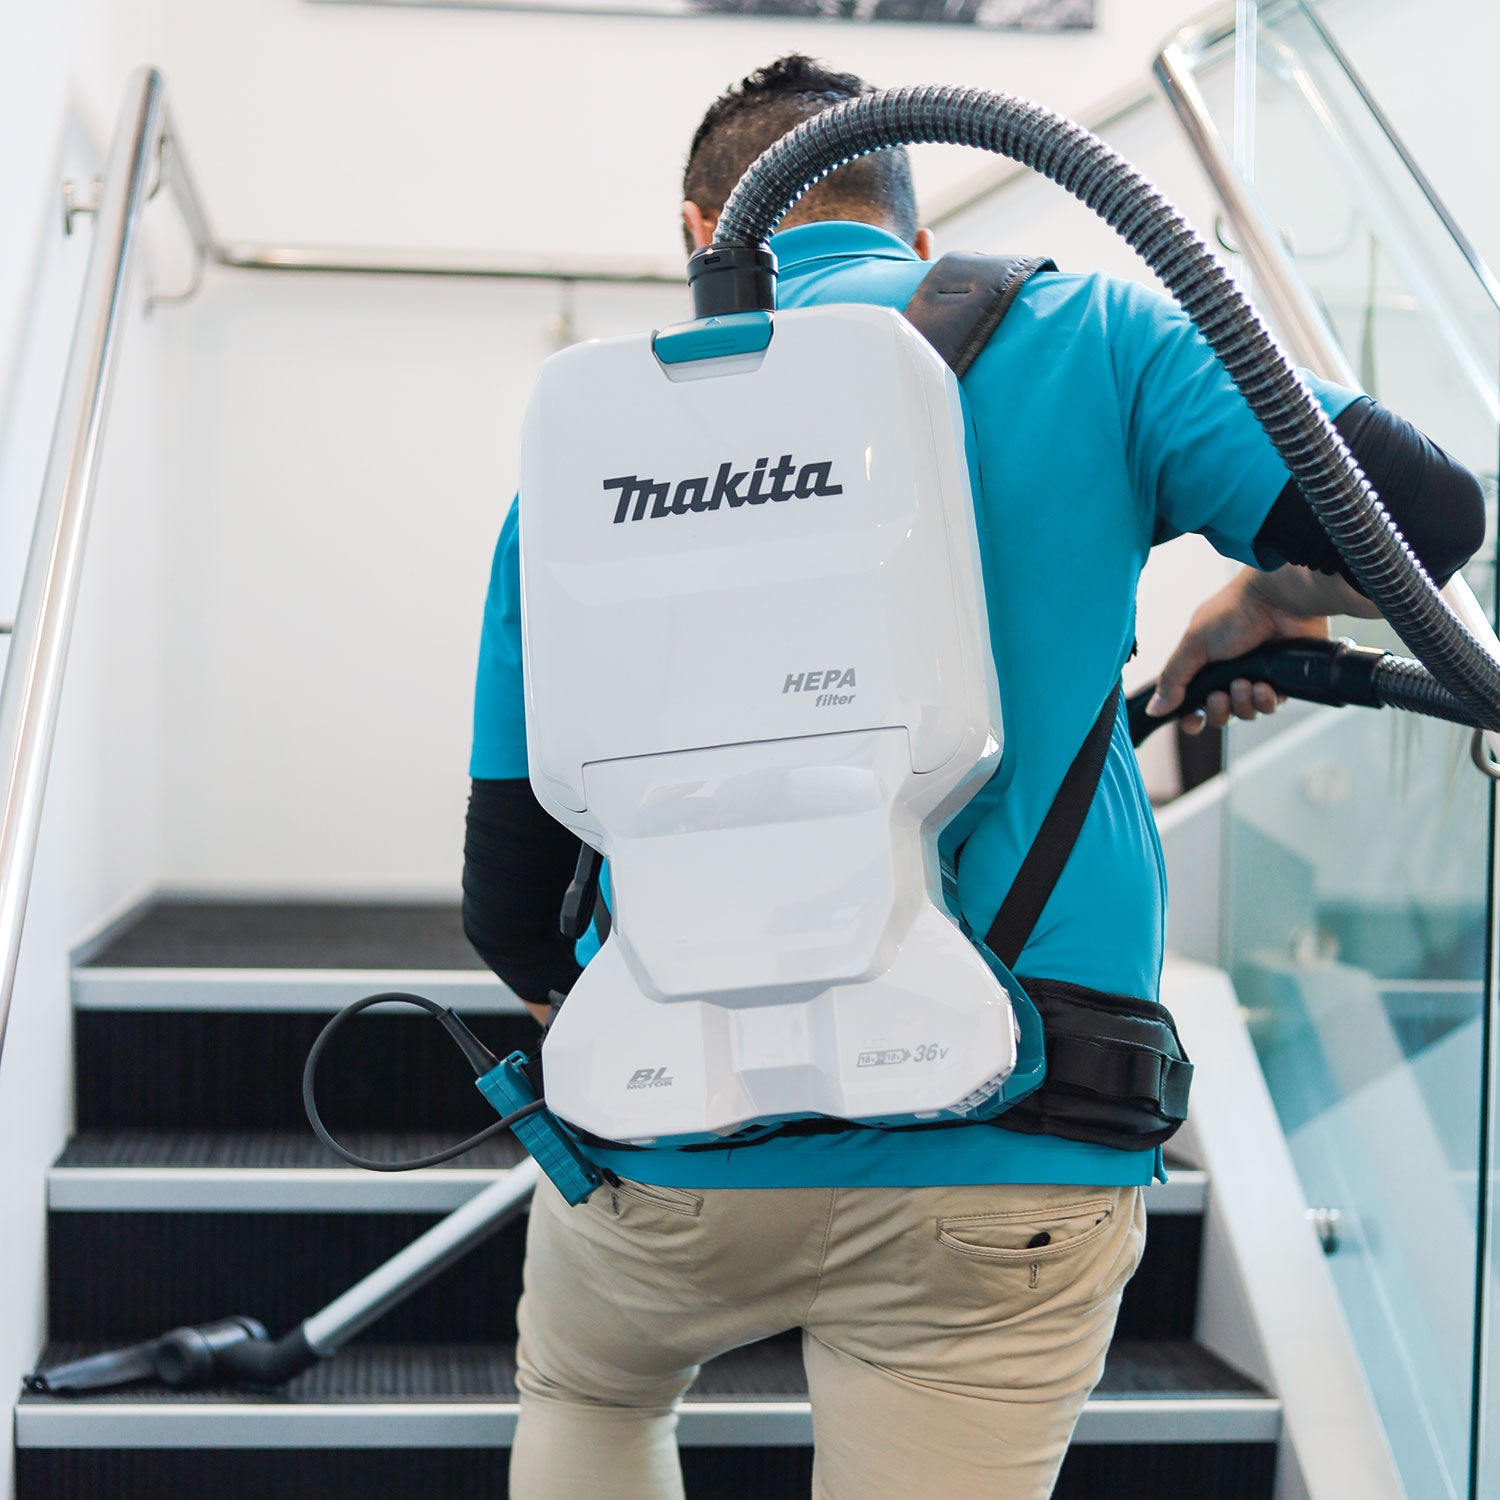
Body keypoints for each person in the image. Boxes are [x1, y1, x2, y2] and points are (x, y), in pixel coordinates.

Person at [462, 55, 1484, 1500]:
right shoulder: (1090, 338)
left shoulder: (586, 458)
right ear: (916, 231)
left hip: (674, 1143)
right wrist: (1270, 592)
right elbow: (1424, 515)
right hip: (1017, 1140)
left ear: (704, 237)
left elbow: (508, 898)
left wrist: (676, 1061)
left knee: (588, 1394)